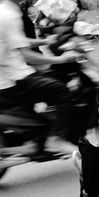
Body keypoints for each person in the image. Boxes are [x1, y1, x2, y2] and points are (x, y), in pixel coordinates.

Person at [0, 0, 83, 155]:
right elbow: (28, 55)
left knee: (50, 77)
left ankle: (37, 139)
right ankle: (55, 140)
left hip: (10, 74)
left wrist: (44, 41)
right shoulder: (9, 14)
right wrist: (61, 59)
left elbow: (17, 41)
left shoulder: (6, 10)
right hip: (13, 79)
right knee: (60, 90)